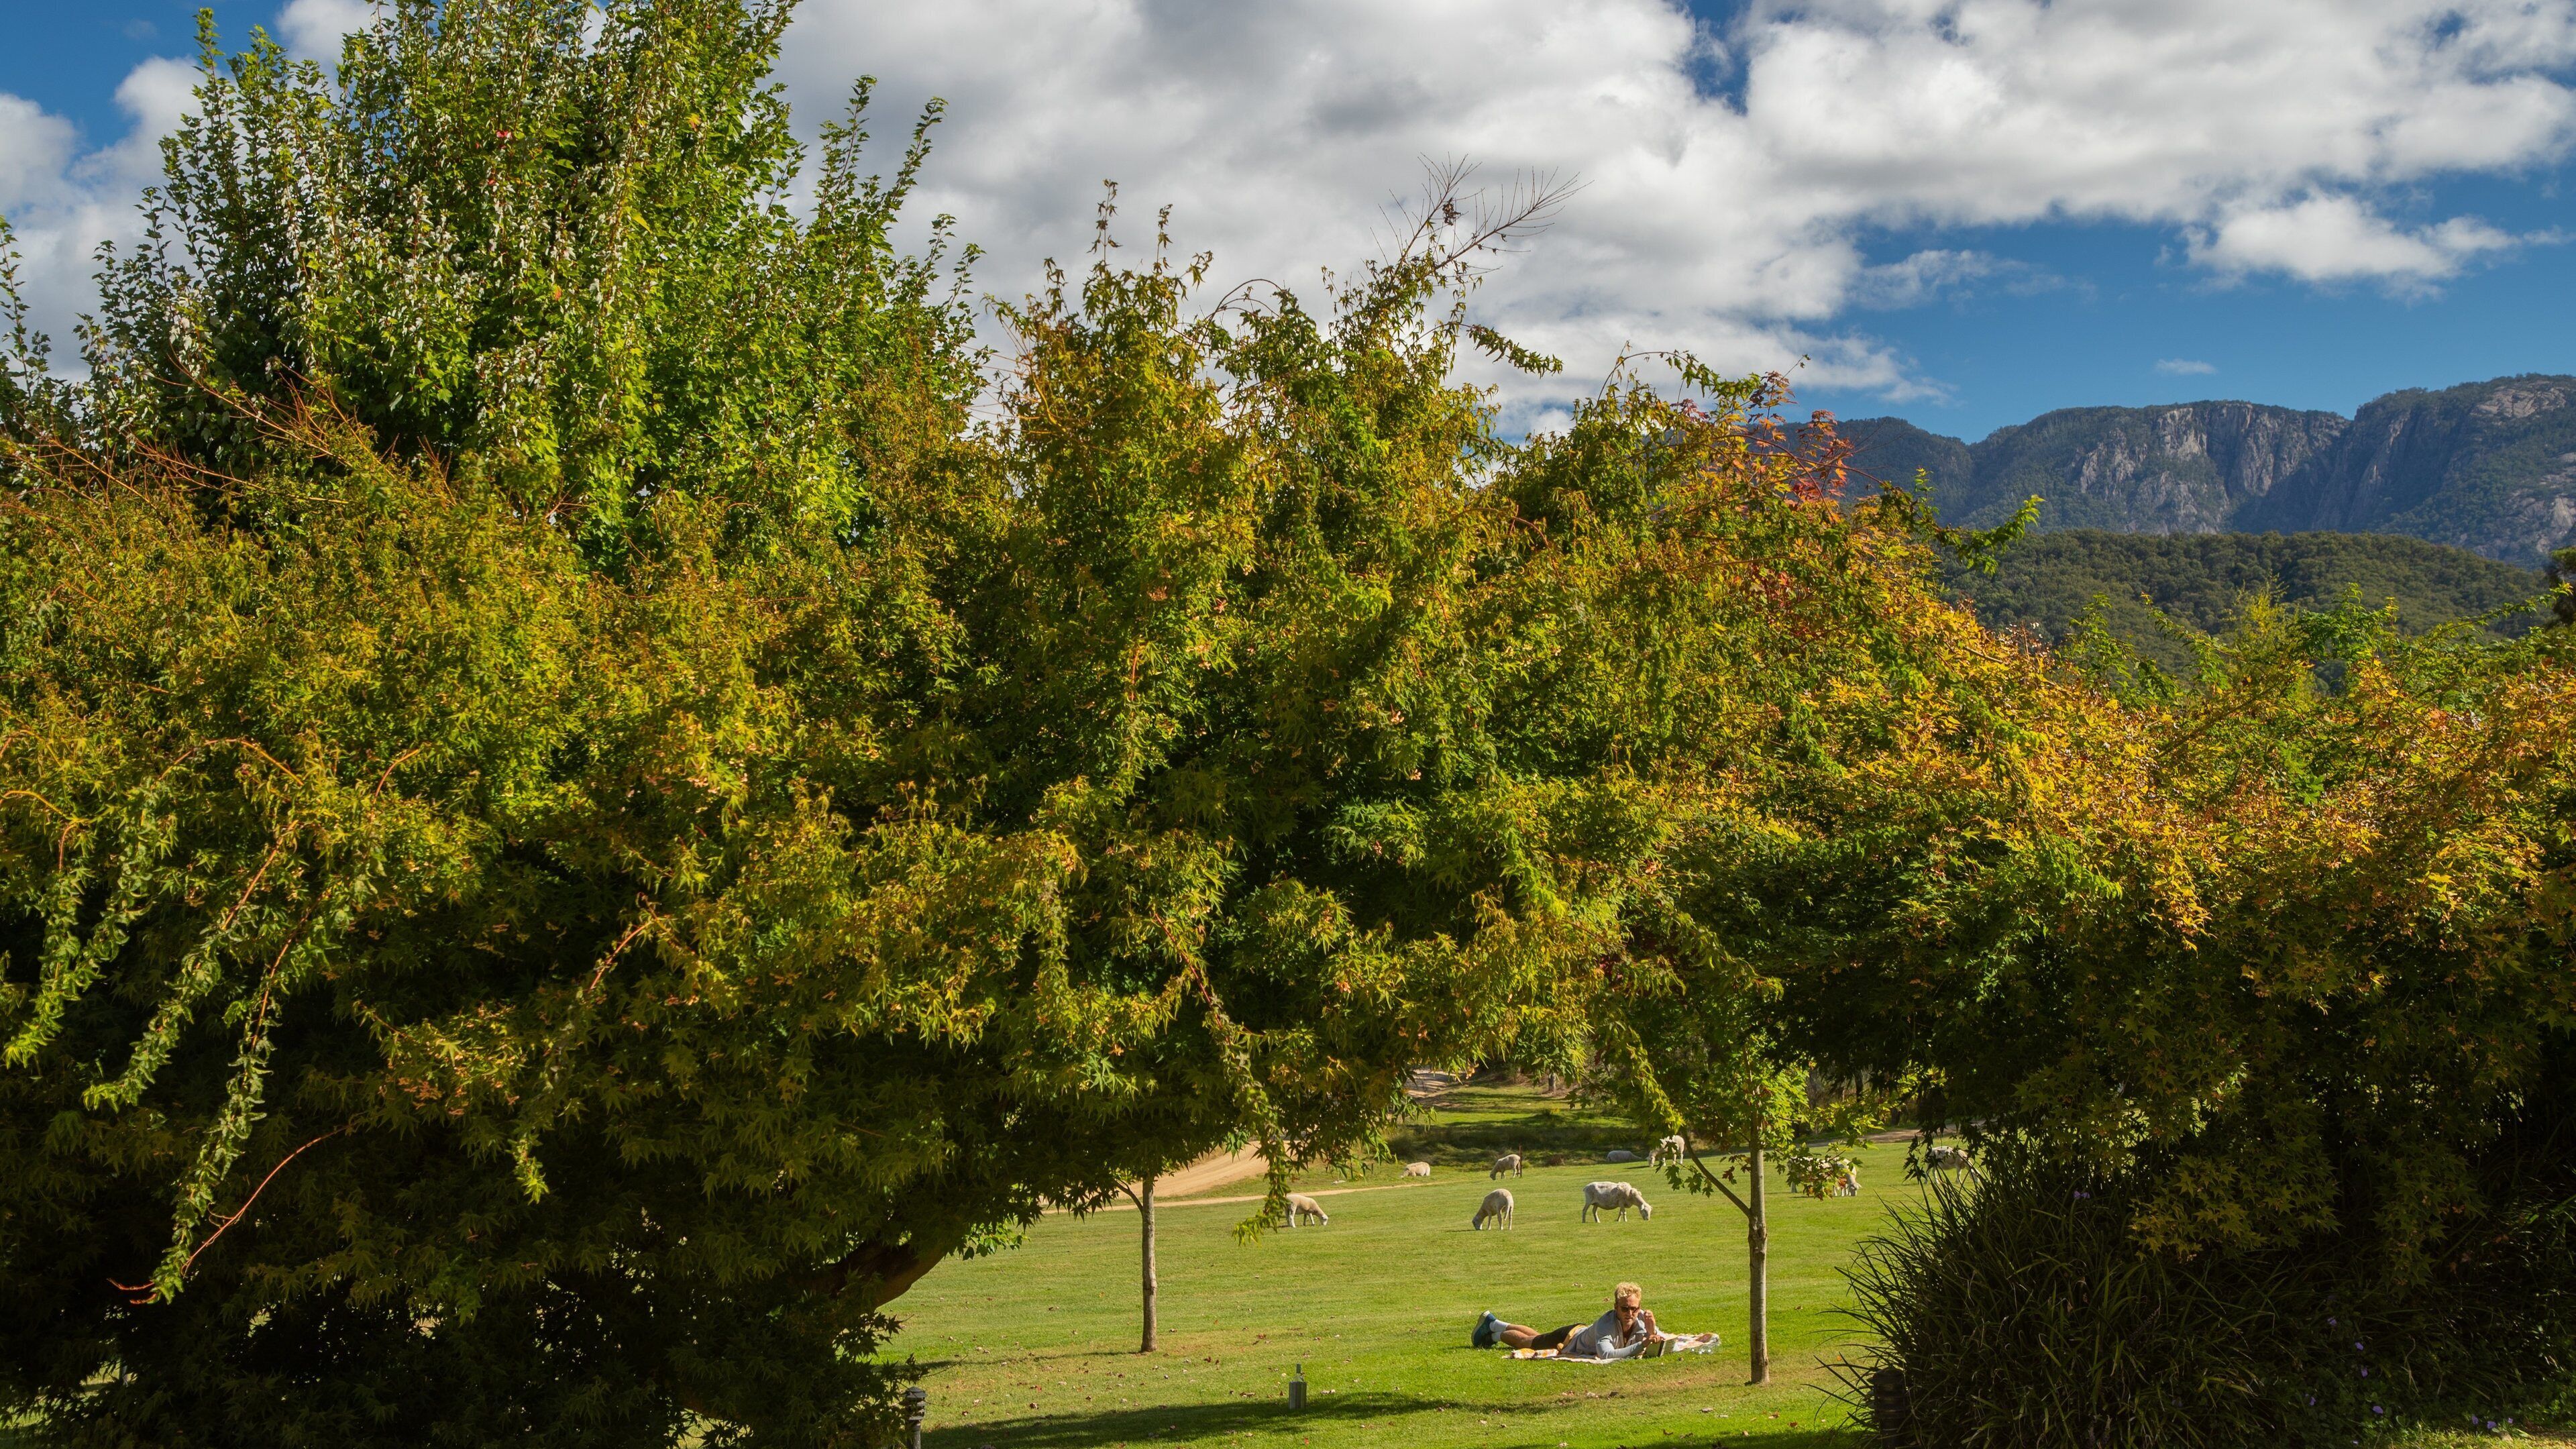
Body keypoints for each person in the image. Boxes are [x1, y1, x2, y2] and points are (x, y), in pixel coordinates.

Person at [1473, 1281, 1659, 1357]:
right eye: (1625, 1308)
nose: (1630, 1313)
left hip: (1579, 1333)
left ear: (1639, 1308)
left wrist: (1652, 1331)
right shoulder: (1607, 1324)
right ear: (1616, 1308)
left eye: (1634, 1309)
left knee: (1538, 1338)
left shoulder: (1642, 1319)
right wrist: (1641, 1345)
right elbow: (1606, 1355)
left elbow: (1656, 1341)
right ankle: (1493, 1333)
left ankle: (1494, 1324)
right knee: (1528, 1342)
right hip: (1569, 1338)